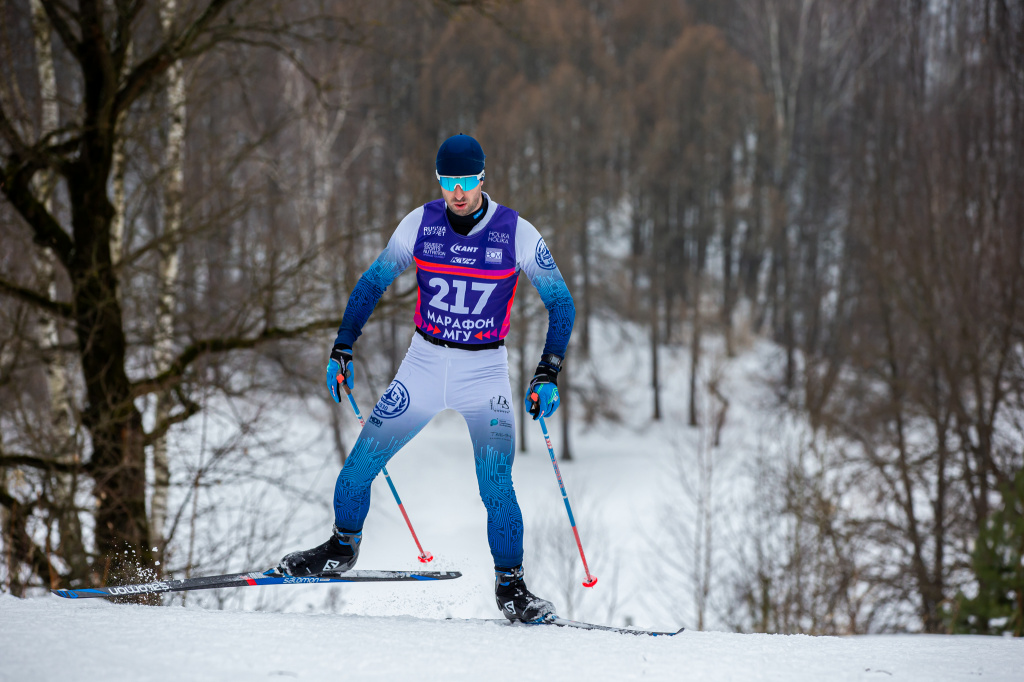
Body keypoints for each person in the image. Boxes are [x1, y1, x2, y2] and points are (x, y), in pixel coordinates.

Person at [278, 134, 576, 623]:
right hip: (423, 364)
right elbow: (373, 282)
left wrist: (548, 372)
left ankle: (512, 588)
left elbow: (560, 303)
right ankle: (341, 548)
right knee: (358, 468)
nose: (457, 192)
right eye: (448, 182)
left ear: (483, 178)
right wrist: (342, 346)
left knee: (495, 483)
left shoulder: (516, 232)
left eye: (467, 181)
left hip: (483, 372)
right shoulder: (419, 223)